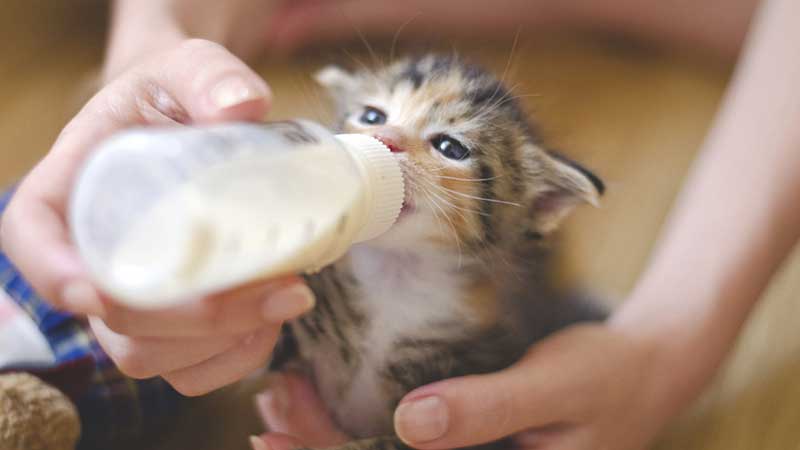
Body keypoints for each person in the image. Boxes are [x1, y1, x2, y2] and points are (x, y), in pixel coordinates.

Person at [1, 0, 798, 449]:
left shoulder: (488, 323)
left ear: (532, 211)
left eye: (446, 145)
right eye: (374, 115)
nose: (384, 141)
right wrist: (146, 45)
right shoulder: (311, 245)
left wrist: (666, 344)